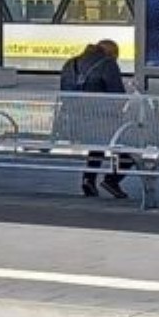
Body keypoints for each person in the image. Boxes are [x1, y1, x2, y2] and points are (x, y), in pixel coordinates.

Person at [59, 39, 130, 199]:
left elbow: (64, 96)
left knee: (97, 140)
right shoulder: (108, 64)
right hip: (102, 124)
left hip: (73, 125)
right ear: (112, 54)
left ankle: (88, 180)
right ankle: (112, 180)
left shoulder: (70, 63)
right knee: (132, 144)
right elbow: (118, 97)